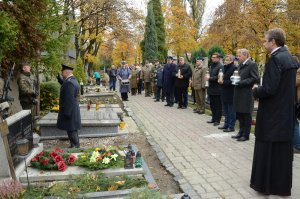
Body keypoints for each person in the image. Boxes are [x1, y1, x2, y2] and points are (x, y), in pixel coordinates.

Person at [250, 28, 297, 196]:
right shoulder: (289, 59)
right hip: (284, 113)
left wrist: (256, 90)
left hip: (272, 115)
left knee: (268, 150)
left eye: (265, 40)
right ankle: (280, 186)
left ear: (273, 42)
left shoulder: (276, 59)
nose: (264, 43)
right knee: (281, 153)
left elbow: (269, 89)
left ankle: (266, 185)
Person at [231, 49, 258, 141]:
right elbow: (237, 76)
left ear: (246, 55)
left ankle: (246, 135)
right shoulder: (240, 65)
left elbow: (254, 78)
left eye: (239, 55)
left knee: (246, 115)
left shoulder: (252, 64)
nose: (238, 57)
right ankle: (240, 132)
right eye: (237, 55)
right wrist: (233, 78)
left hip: (246, 93)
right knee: (239, 114)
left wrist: (241, 82)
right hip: (238, 92)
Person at [57, 64, 81, 148]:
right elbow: (66, 86)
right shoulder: (72, 80)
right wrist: (60, 80)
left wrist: (67, 112)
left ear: (66, 72)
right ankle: (74, 145)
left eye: (62, 72)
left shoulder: (69, 83)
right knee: (71, 128)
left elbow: (69, 99)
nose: (62, 74)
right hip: (72, 109)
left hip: (69, 110)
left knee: (71, 129)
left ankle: (75, 146)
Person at [218, 55, 237, 132]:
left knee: (231, 110)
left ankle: (231, 126)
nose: (225, 61)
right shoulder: (224, 67)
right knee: (225, 110)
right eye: (225, 60)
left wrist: (224, 82)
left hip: (231, 92)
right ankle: (226, 124)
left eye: (227, 60)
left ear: (231, 61)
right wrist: (219, 80)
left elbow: (233, 81)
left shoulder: (234, 68)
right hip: (223, 91)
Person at [206, 53, 223, 126]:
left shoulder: (221, 66)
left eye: (214, 57)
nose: (212, 58)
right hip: (211, 88)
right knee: (212, 105)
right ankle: (213, 118)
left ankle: (217, 120)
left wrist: (210, 78)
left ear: (218, 58)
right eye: (212, 57)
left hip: (217, 89)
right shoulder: (211, 65)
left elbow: (218, 77)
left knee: (218, 105)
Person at [294, 55, 300, 153]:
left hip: (297, 100)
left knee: (294, 122)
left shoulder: (298, 71)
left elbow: (295, 82)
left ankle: (298, 146)